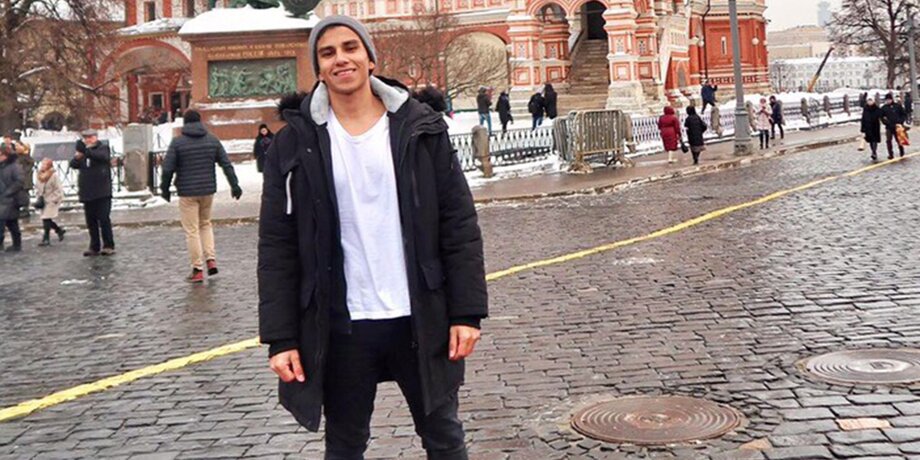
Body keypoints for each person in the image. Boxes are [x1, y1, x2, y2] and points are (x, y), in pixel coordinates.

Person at [259, 16, 487, 460]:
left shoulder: (421, 128)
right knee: (345, 446)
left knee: (444, 438)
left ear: (370, 59)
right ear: (318, 69)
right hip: (342, 324)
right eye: (327, 53)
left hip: (419, 314)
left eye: (350, 47)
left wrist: (466, 312)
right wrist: (281, 338)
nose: (341, 59)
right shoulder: (295, 142)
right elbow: (277, 248)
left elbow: (458, 224)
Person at [161, 109, 242, 283]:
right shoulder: (212, 139)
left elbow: (167, 169)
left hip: (187, 193)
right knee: (205, 224)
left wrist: (164, 189)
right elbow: (226, 164)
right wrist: (234, 185)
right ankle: (210, 260)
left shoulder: (178, 142)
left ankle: (197, 269)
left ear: (185, 123)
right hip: (207, 190)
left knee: (192, 230)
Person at [70, 129, 115, 257]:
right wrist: (78, 157)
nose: (88, 140)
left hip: (102, 191)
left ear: (96, 137)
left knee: (104, 219)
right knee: (91, 221)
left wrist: (86, 151)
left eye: (90, 137)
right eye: (86, 138)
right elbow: (73, 164)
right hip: (87, 192)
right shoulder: (84, 153)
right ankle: (94, 246)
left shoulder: (102, 148)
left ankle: (108, 245)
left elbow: (102, 157)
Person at [35, 158, 66, 246]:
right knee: (46, 219)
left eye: (44, 164)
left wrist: (55, 199)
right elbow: (37, 187)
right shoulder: (39, 175)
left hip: (51, 200)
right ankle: (59, 230)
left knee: (46, 219)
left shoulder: (53, 176)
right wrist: (38, 197)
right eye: (42, 164)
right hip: (43, 201)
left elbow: (58, 189)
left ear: (49, 166)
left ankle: (46, 239)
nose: (42, 166)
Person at [0, 144, 23, 252]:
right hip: (3, 199)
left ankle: (16, 244)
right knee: (10, 222)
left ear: (5, 155)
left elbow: (19, 181)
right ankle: (15, 244)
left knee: (11, 223)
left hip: (10, 199)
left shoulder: (14, 166)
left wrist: (8, 192)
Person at [880, 92, 906, 159]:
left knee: (899, 139)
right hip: (889, 127)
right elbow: (882, 117)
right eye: (887, 100)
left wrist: (900, 121)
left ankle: (901, 151)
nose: (888, 101)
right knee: (888, 140)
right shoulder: (884, 108)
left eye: (889, 100)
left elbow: (903, 114)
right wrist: (886, 122)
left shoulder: (897, 106)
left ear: (892, 99)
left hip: (897, 126)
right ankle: (890, 154)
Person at [860, 97, 882, 161]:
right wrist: (862, 128)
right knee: (870, 140)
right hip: (868, 127)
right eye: (868, 101)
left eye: (871, 101)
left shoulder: (876, 108)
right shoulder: (865, 109)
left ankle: (874, 152)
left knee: (874, 140)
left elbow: (881, 115)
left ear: (873, 101)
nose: (869, 102)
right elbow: (863, 119)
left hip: (875, 126)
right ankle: (873, 151)